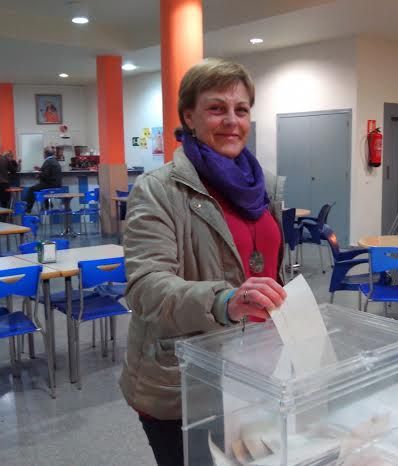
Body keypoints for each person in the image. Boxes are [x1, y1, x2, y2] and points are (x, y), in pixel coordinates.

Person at [120, 58, 287, 466]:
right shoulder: (158, 189)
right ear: (189, 117)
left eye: (241, 110)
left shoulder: (263, 186)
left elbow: (269, 268)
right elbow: (145, 287)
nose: (232, 121)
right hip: (184, 382)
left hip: (254, 371)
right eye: (216, 108)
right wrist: (224, 300)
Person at [24, 147, 62, 212]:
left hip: (50, 185)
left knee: (32, 189)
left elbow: (45, 175)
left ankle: (28, 208)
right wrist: (40, 170)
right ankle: (48, 205)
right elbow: (49, 172)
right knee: (42, 189)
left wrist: (39, 174)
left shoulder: (48, 161)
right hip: (57, 185)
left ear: (45, 154)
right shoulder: (54, 161)